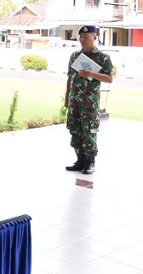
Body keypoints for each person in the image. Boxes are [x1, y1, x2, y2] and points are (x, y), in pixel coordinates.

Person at [64, 25, 113, 175]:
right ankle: (80, 160)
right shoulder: (74, 56)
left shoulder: (103, 57)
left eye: (87, 37)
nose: (83, 39)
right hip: (74, 101)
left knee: (89, 132)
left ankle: (90, 162)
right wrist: (67, 98)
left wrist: (91, 74)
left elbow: (109, 78)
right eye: (81, 37)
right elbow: (70, 78)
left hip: (89, 103)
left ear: (95, 37)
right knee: (75, 130)